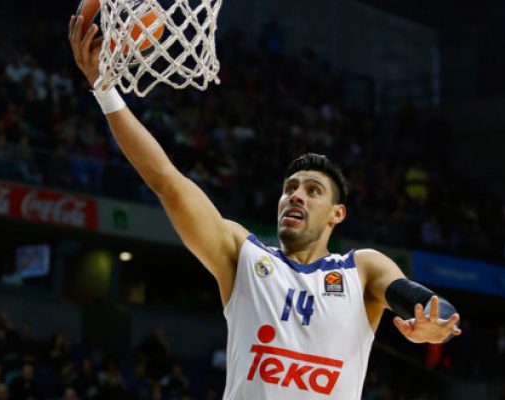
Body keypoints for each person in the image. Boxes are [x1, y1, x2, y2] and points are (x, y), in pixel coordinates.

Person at [69, 15, 462, 400]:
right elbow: (167, 182)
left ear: (336, 214)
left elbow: (426, 303)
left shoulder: (361, 269)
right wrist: (104, 90)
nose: (295, 195)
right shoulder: (243, 255)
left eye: (312, 191)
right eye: (290, 188)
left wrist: (435, 323)